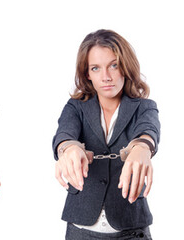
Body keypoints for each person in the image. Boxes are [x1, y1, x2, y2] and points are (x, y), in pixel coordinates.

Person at [52, 29, 159, 239]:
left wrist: (142, 148)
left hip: (130, 228)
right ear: (87, 74)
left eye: (114, 65)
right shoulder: (76, 107)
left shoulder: (145, 107)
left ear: (125, 67)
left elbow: (149, 129)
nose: (106, 77)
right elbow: (65, 132)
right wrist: (69, 148)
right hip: (80, 229)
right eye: (95, 68)